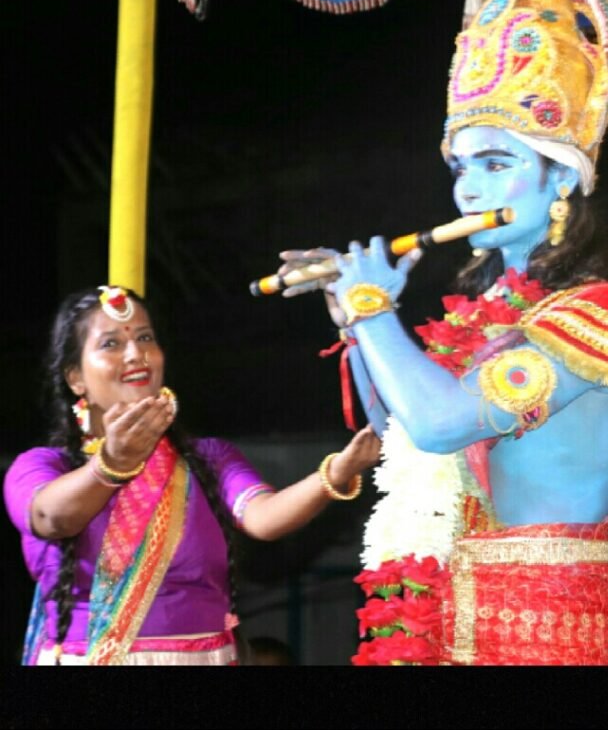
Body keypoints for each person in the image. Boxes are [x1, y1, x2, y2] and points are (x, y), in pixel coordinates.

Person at [279, 0, 608, 666]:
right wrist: (354, 319)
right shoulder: (486, 313)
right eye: (461, 168)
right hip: (441, 610)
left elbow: (442, 423)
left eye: (497, 164)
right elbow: (399, 430)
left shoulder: (605, 317)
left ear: (562, 177)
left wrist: (376, 313)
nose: (468, 189)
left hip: (539, 627)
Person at [3, 285, 381, 665]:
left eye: (145, 338)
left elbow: (264, 518)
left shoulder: (209, 458)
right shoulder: (41, 467)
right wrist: (111, 465)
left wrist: (338, 471)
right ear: (75, 379)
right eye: (111, 344)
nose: (135, 354)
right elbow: (52, 518)